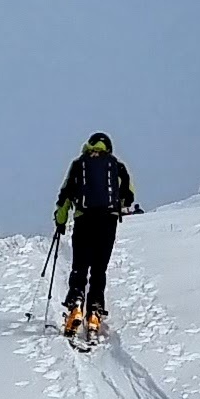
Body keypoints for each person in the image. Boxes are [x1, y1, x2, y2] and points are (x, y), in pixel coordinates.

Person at [54, 133, 137, 338]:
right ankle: (94, 312)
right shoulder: (117, 166)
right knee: (99, 269)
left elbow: (65, 194)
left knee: (80, 266)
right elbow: (129, 195)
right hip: (107, 223)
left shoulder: (78, 164)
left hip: (84, 220)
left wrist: (60, 220)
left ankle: (75, 305)